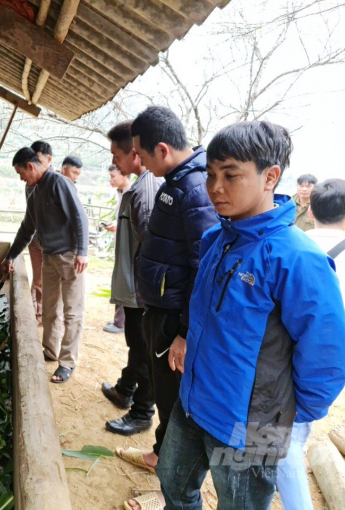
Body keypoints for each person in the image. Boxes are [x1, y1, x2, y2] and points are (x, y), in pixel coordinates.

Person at [150, 121, 345, 510]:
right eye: (210, 174)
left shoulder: (297, 259)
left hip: (253, 425)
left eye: (231, 175)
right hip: (194, 403)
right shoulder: (217, 239)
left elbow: (327, 357)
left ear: (270, 177)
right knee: (173, 487)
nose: (215, 187)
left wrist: (283, 417)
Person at [114, 107, 217, 463]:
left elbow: (203, 267)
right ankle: (161, 455)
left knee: (174, 398)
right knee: (163, 390)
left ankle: (170, 479)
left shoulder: (194, 188)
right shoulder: (177, 182)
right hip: (161, 306)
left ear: (161, 149)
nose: (139, 163)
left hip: (174, 315)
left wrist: (185, 332)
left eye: (141, 155)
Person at [277, 178, 345, 510]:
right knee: (291, 440)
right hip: (336, 372)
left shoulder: (288, 245)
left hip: (283, 366)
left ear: (311, 210)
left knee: (286, 443)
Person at [2, 148, 89, 383]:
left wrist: (82, 251)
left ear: (31, 166)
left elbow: (79, 216)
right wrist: (10, 256)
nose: (22, 179)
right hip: (49, 257)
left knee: (72, 312)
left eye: (22, 174)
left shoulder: (59, 183)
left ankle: (67, 362)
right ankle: (50, 350)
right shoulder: (35, 191)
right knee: (50, 309)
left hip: (70, 257)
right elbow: (27, 228)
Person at [101, 121, 162, 436]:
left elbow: (152, 247)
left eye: (116, 155)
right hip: (135, 288)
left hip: (142, 292)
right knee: (136, 346)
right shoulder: (138, 186)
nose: (115, 162)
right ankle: (125, 389)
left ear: (134, 153)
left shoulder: (145, 189)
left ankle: (141, 413)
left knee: (143, 351)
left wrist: (145, 293)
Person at [27, 140, 54, 325]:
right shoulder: (30, 181)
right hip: (34, 238)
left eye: (37, 159)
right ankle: (36, 314)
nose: (33, 164)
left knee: (49, 281)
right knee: (37, 279)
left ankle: (48, 316)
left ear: (48, 159)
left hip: (51, 241)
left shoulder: (56, 182)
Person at [104, 165, 132, 335]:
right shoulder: (120, 194)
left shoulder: (132, 193)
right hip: (119, 243)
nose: (111, 179)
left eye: (113, 176)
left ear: (124, 175)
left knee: (123, 281)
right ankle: (118, 319)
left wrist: (118, 225)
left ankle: (120, 322)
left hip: (127, 247)